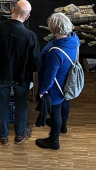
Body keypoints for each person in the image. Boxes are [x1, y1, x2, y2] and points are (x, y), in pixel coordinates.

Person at [0, 0, 40, 147]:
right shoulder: (30, 36)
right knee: (21, 104)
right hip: (21, 78)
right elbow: (36, 63)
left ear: (12, 10)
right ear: (27, 17)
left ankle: (3, 135)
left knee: (2, 103)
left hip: (0, 75)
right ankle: (19, 135)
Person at [35, 12, 80, 150]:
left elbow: (49, 75)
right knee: (65, 102)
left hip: (56, 85)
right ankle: (63, 127)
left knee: (55, 111)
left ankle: (54, 140)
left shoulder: (55, 51)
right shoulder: (74, 39)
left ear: (53, 29)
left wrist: (42, 90)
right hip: (67, 81)